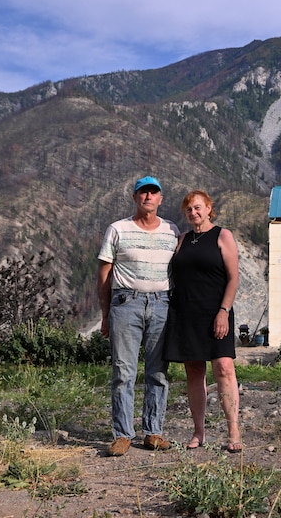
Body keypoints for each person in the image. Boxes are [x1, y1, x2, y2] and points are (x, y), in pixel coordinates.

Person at [97, 176, 179, 456]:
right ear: (135, 198)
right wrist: (105, 312)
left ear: (160, 198)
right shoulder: (117, 229)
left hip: (162, 304)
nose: (148, 197)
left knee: (158, 371)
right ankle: (123, 435)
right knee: (123, 371)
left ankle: (153, 432)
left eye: (153, 192)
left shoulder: (172, 230)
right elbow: (104, 274)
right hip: (126, 303)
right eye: (143, 192)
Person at [164, 190, 243, 453]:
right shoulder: (182, 240)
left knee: (223, 368)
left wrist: (224, 311)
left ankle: (234, 431)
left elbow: (233, 278)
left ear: (209, 208)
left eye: (198, 208)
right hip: (186, 313)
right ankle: (199, 432)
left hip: (215, 312)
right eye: (189, 209)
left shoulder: (223, 236)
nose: (193, 213)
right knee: (194, 372)